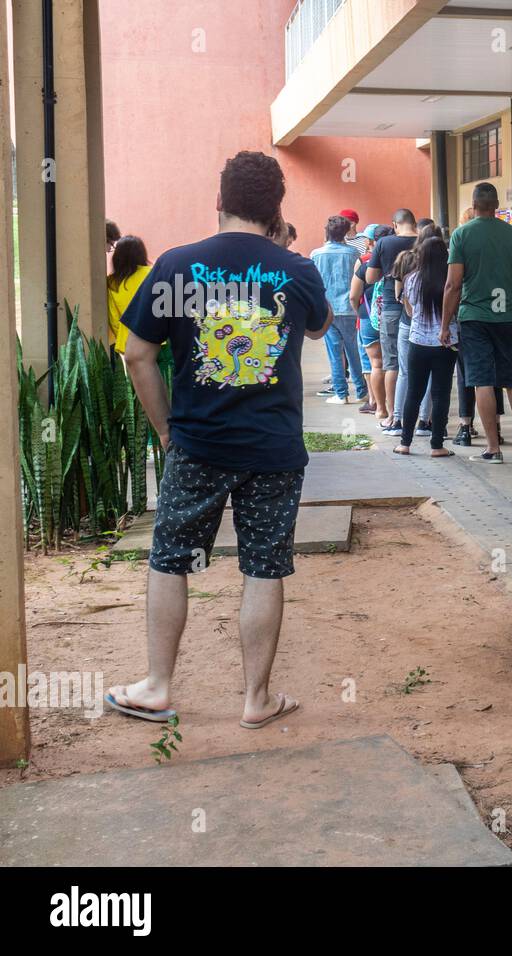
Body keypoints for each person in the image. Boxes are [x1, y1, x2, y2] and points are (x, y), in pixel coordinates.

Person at [107, 150, 330, 731]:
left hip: (198, 444)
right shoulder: (296, 269)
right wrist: (283, 254)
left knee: (170, 559)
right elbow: (319, 326)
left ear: (219, 200)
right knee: (263, 567)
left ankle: (157, 687)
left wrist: (165, 430)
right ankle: (256, 699)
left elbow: (137, 354)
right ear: (276, 209)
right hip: (274, 449)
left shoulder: (176, 266)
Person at [442, 183, 512, 463]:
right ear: (496, 206)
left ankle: (493, 449)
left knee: (481, 381)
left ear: (473, 206)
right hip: (506, 317)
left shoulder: (462, 235)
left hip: (474, 318)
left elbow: (452, 284)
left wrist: (445, 324)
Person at [395, 235, 458, 458]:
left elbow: (410, 310)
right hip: (446, 343)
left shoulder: (411, 279)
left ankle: (405, 443)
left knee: (414, 392)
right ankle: (436, 445)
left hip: (417, 342)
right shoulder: (450, 281)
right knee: (441, 394)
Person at [367, 209, 419, 431]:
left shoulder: (384, 243)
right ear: (414, 223)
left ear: (395, 224)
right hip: (420, 307)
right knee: (418, 363)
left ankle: (393, 417)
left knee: (392, 364)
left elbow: (370, 277)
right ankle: (423, 418)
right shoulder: (424, 240)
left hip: (390, 305)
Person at [309, 215, 367, 405]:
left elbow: (314, 283)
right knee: (354, 351)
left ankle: (341, 394)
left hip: (328, 309)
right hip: (350, 308)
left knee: (334, 352)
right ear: (345, 232)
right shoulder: (353, 254)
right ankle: (361, 391)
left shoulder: (316, 254)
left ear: (327, 231)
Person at [390, 223, 437, 438]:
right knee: (429, 377)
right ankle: (424, 422)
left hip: (407, 322)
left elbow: (399, 295)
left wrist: (410, 309)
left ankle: (397, 420)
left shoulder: (405, 258)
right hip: (433, 326)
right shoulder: (439, 264)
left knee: (405, 373)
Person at [351, 224, 392, 418]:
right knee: (394, 365)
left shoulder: (365, 263)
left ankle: (380, 409)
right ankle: (395, 411)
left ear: (371, 242)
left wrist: (358, 312)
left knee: (376, 364)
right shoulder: (399, 262)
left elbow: (353, 296)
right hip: (392, 316)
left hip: (368, 317)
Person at [106, 236, 151, 355]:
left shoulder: (111, 282)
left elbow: (114, 318)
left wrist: (121, 336)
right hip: (156, 337)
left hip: (128, 341)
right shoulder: (151, 273)